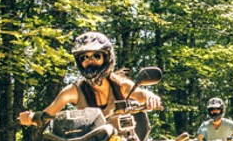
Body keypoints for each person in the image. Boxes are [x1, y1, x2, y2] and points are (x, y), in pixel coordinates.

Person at [18, 32, 162, 127]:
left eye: (96, 56)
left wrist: (152, 98)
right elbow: (47, 114)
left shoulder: (121, 85)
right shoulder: (74, 91)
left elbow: (142, 95)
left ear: (107, 58)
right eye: (84, 57)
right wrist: (31, 118)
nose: (89, 61)